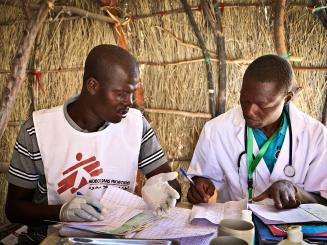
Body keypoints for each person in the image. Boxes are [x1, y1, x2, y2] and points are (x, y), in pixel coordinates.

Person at [5, 44, 180, 242]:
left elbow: (171, 186)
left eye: (132, 93)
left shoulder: (136, 125)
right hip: (55, 239)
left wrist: (158, 188)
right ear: (92, 86)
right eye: (121, 93)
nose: (130, 101)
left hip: (119, 239)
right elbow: (14, 209)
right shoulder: (37, 130)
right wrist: (60, 211)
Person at [187, 54, 327, 209]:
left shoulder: (316, 135)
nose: (249, 112)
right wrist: (201, 188)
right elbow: (204, 186)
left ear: (286, 99)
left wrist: (295, 191)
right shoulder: (216, 130)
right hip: (237, 228)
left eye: (262, 105)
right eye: (245, 100)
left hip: (297, 231)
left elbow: (323, 201)